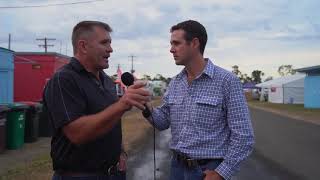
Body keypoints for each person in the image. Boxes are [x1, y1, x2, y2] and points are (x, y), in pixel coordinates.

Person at [144, 20, 254, 180]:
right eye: (171, 44)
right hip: (177, 168)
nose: (171, 49)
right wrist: (144, 106)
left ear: (194, 43)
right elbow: (163, 122)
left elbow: (244, 135)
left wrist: (222, 173)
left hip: (208, 171)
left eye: (176, 43)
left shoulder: (227, 81)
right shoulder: (175, 82)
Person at [43, 21, 150, 180]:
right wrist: (121, 105)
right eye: (104, 43)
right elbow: (77, 133)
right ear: (83, 46)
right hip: (78, 176)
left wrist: (120, 152)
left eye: (110, 43)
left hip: (114, 173)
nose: (111, 49)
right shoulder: (64, 79)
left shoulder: (106, 80)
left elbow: (111, 120)